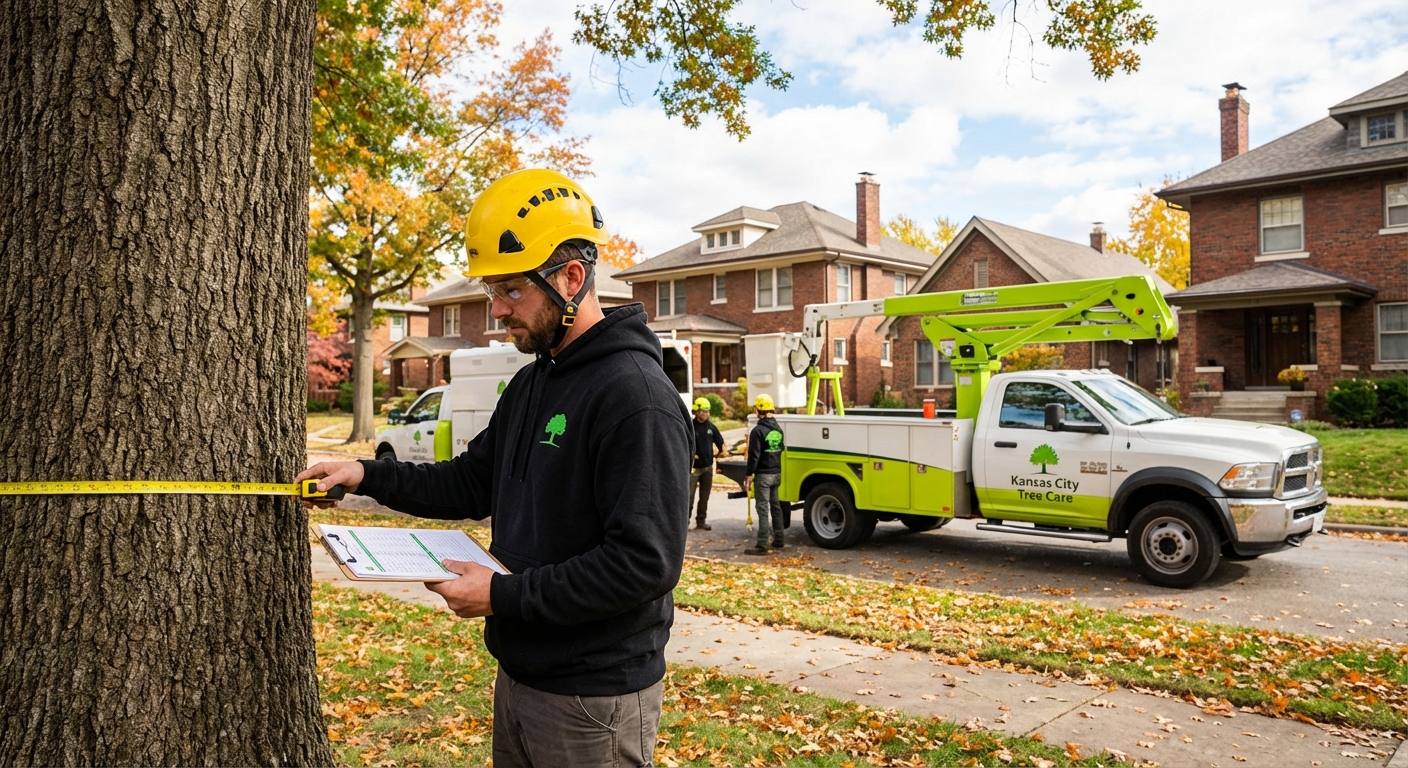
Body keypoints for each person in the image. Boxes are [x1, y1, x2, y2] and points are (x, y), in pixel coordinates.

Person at [296, 168, 691, 768]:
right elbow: (471, 480)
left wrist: (504, 595)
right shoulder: (534, 381)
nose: (496, 311)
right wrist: (365, 474)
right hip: (522, 673)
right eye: (490, 292)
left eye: (511, 291)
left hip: (594, 697)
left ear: (571, 278)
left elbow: (644, 563)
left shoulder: (634, 396)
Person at [741, 394, 785, 555]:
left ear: (759, 410)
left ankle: (762, 543)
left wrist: (748, 475)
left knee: (762, 508)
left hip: (763, 475)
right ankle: (779, 539)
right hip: (776, 473)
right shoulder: (778, 429)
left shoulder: (758, 431)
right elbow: (781, 449)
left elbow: (754, 456)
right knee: (776, 506)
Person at [688, 397, 725, 531]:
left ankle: (701, 521)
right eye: (703, 411)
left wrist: (721, 453)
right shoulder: (690, 427)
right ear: (696, 411)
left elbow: (721, 443)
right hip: (693, 469)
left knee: (704, 497)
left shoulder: (711, 427)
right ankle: (684, 522)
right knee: (689, 497)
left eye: (708, 412)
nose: (706, 414)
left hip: (708, 468)